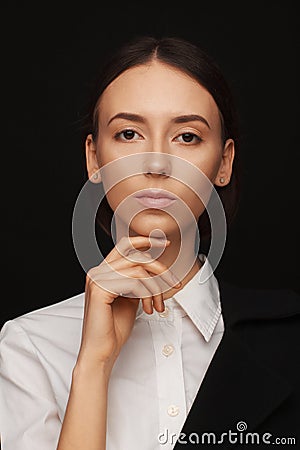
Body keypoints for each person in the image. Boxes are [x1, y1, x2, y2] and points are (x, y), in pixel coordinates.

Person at [0, 36, 299, 450]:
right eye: (128, 133)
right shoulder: (29, 347)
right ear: (94, 158)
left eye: (187, 137)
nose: (157, 163)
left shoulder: (287, 338)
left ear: (224, 163)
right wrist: (93, 367)